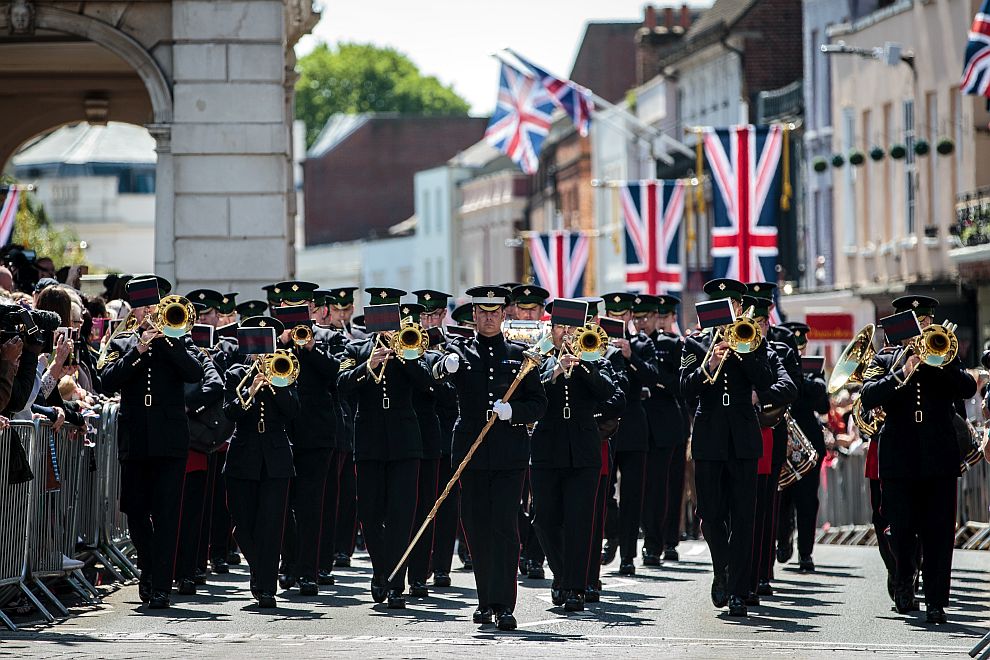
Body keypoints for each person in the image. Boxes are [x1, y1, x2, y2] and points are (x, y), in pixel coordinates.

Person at [433, 285, 547, 631]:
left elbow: (539, 404)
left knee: (504, 527)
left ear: (503, 314)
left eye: (493, 312)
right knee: (477, 527)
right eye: (481, 313)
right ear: (474, 316)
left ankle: (504, 604)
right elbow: (434, 378)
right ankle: (485, 600)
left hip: (509, 452)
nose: (487, 318)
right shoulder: (459, 352)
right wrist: (443, 367)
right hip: (471, 451)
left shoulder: (520, 355)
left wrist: (513, 411)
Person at [860, 295, 975, 624]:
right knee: (901, 528)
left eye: (925, 323)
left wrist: (941, 364)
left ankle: (937, 600)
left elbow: (967, 388)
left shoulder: (944, 356)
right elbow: (868, 396)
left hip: (938, 456)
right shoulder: (885, 361)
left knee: (939, 531)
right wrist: (902, 370)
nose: (921, 330)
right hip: (898, 457)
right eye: (915, 325)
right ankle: (904, 580)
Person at [99, 275, 205, 609]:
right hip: (136, 436)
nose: (148, 313)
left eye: (152, 306)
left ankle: (160, 585)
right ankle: (148, 568)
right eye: (142, 307)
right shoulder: (121, 342)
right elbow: (105, 381)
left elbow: (194, 373)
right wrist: (138, 350)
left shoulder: (179, 338)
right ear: (134, 310)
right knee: (135, 510)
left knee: (167, 512)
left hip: (170, 438)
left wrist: (167, 343)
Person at [680, 278, 775, 617]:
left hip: (743, 439)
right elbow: (686, 389)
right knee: (710, 514)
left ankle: (737, 590)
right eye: (722, 307)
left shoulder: (753, 340)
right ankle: (722, 567)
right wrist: (709, 363)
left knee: (744, 518)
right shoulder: (694, 344)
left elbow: (765, 381)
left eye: (734, 306)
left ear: (739, 309)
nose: (729, 313)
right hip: (709, 439)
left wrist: (744, 352)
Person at [337, 287, 433, 609]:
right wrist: (369, 366)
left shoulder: (411, 348)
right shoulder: (355, 348)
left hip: (406, 444)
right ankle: (382, 571)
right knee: (369, 513)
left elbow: (427, 385)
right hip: (369, 444)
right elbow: (342, 386)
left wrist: (402, 357)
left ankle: (395, 583)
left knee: (401, 515)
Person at [531, 314, 614, 611]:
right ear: (550, 331)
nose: (565, 334)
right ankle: (562, 574)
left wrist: (583, 366)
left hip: (583, 448)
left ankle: (575, 587)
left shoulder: (594, 356)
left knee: (580, 520)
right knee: (544, 519)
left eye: (571, 329)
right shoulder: (538, 357)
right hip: (546, 447)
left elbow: (608, 392)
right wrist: (555, 371)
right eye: (560, 328)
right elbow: (530, 389)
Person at [269, 281, 340, 597]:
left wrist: (309, 348)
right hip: (280, 431)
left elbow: (335, 374)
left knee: (311, 505)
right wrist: (280, 345)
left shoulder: (328, 338)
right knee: (282, 503)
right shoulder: (271, 340)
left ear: (313, 309)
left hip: (315, 432)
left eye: (301, 306)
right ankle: (289, 563)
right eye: (287, 306)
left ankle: (309, 571)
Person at [223, 316, 300, 608]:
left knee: (271, 524)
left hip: (276, 458)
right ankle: (259, 569)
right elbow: (230, 413)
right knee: (243, 525)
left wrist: (277, 385)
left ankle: (267, 586)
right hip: (243, 456)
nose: (261, 352)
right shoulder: (235, 373)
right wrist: (251, 390)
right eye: (256, 346)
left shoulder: (286, 372)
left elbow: (293, 411)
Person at [743, 290, 797, 603]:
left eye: (762, 322)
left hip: (769, 432)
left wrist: (762, 397)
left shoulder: (779, 350)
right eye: (753, 321)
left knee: (764, 509)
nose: (759, 327)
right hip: (733, 436)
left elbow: (792, 387)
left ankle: (761, 573)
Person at [599, 292, 659, 575]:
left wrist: (629, 355)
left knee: (634, 493)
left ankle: (628, 555)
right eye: (613, 314)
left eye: (623, 315)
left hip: (634, 421)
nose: (619, 319)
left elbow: (652, 377)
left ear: (629, 317)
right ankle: (612, 534)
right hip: (606, 425)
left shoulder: (642, 343)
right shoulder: (595, 343)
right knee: (604, 491)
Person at [636, 294, 687, 568]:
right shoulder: (630, 345)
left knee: (664, 485)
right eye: (638, 318)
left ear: (657, 318)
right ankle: (651, 537)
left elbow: (678, 383)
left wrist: (655, 381)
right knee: (646, 486)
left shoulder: (670, 344)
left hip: (666, 423)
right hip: (641, 424)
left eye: (647, 317)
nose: (642, 323)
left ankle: (663, 541)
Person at [775, 322, 830, 574]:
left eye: (800, 346)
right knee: (781, 500)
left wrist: (803, 385)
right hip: (782, 440)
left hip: (807, 446)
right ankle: (783, 539)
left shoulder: (813, 371)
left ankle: (806, 553)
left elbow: (823, 403)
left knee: (807, 501)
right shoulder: (780, 366)